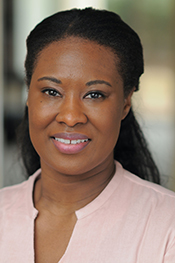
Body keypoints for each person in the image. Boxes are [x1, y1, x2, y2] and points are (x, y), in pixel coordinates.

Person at [0, 7, 175, 263]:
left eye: (95, 95)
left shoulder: (167, 226)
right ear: (28, 94)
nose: (71, 117)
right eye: (51, 92)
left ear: (126, 102)